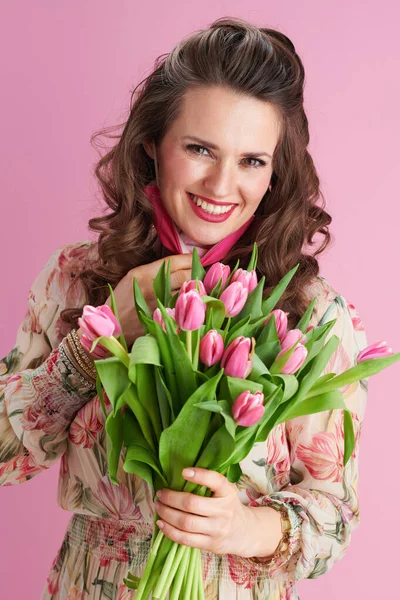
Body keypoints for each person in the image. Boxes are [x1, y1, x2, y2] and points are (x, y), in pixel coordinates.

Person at [0, 16, 369, 600]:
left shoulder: (310, 315)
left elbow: (336, 515)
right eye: (200, 148)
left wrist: (247, 527)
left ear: (276, 173)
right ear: (153, 145)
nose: (223, 185)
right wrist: (94, 338)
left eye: (252, 160)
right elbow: (4, 455)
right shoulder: (78, 278)